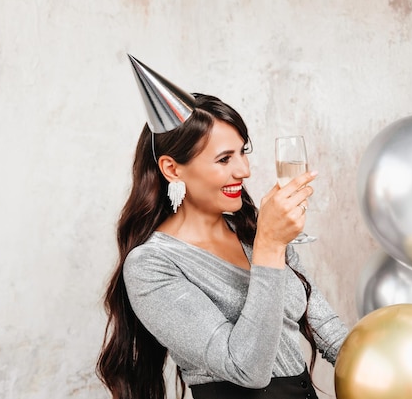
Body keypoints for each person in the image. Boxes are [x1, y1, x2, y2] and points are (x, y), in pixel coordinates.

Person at [96, 55, 349, 399]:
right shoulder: (152, 266)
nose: (244, 170)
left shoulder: (252, 230)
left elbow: (328, 331)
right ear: (172, 169)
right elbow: (247, 368)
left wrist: (387, 365)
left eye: (243, 152)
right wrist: (271, 246)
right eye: (224, 159)